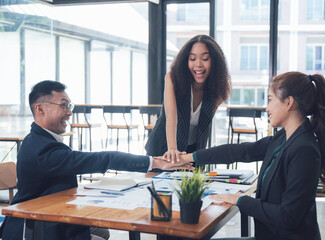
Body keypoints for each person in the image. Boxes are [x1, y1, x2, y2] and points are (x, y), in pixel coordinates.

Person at [0, 80, 192, 240]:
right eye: (63, 105)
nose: (69, 112)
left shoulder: (41, 140)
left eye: (70, 106)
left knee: (102, 230)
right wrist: (155, 162)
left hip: (56, 215)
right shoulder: (41, 149)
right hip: (36, 229)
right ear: (40, 109)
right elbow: (99, 159)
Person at [176, 72, 325, 239]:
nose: (267, 108)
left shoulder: (304, 150)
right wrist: (190, 157)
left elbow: (288, 217)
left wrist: (239, 200)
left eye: (270, 99)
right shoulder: (284, 137)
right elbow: (241, 151)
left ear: (289, 102)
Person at [145, 34, 231, 163]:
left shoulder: (217, 90)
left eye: (205, 58)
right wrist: (172, 150)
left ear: (214, 61)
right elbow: (171, 117)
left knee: (192, 184)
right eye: (192, 58)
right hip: (163, 147)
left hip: (192, 151)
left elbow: (203, 126)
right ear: (186, 60)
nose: (198, 64)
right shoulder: (173, 78)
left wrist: (200, 157)